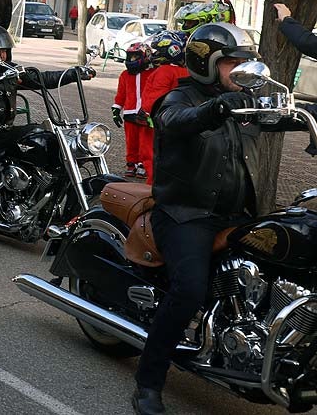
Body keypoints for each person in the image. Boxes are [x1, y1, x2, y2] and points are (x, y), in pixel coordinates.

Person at [132, 22, 306, 415]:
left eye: (243, 62)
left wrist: (304, 115)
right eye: (230, 63)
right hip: (186, 215)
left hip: (238, 215)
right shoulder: (178, 98)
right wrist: (214, 108)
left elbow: (277, 117)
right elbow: (176, 121)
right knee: (188, 290)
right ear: (206, 63)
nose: (239, 70)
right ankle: (148, 382)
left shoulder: (243, 101)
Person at [0, 25, 94, 251]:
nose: (4, 56)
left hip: (4, 131)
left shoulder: (9, 71)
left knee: (45, 140)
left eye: (6, 52)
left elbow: (42, 78)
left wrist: (74, 74)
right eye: (0, 52)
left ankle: (50, 215)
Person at [139, 30, 190, 185]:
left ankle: (152, 190)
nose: (154, 53)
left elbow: (156, 97)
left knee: (151, 156)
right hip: (175, 122)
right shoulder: (185, 72)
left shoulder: (163, 72)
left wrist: (147, 114)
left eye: (157, 50)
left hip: (154, 124)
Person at [112, 42, 154, 179]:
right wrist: (116, 109)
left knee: (145, 141)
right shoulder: (125, 75)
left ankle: (143, 164)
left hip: (145, 114)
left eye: (136, 57)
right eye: (130, 57)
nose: (132, 60)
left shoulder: (152, 74)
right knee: (131, 141)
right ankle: (131, 164)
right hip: (129, 114)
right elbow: (121, 95)